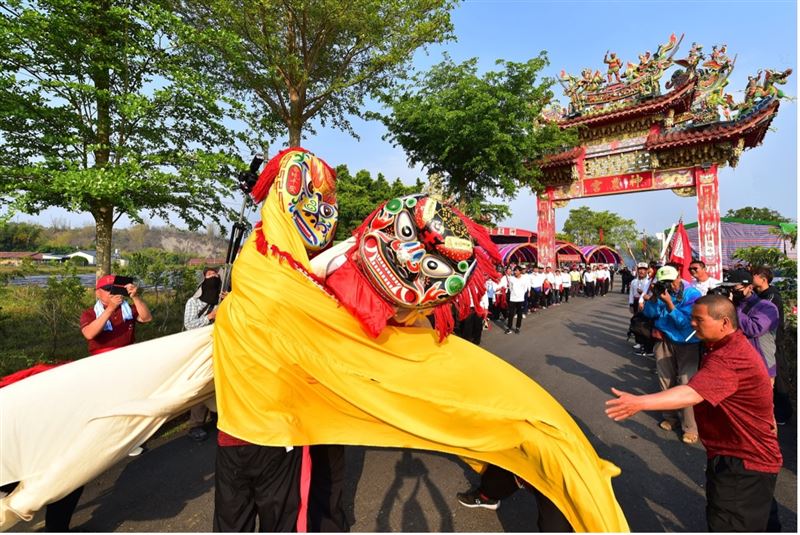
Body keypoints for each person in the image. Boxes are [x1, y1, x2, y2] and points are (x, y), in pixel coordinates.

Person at [606, 295, 782, 532]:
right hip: (749, 455)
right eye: (692, 318)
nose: (692, 323)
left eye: (699, 320)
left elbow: (692, 392)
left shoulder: (730, 357)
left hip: (743, 461)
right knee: (760, 520)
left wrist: (639, 402)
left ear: (725, 323)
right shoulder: (726, 345)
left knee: (731, 523)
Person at [641, 265, 701, 444]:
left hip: (688, 344)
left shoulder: (692, 294)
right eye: (664, 282)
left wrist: (670, 304)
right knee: (665, 380)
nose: (669, 285)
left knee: (686, 384)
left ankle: (690, 427)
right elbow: (649, 314)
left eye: (671, 281)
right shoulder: (662, 292)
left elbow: (685, 324)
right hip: (664, 340)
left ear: (679, 277)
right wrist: (653, 299)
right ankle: (670, 417)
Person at [456, 464, 573, 532]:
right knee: (509, 454)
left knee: (556, 528)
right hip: (525, 449)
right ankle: (488, 495)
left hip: (558, 476)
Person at [183, 267, 224, 442]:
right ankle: (196, 424)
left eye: (215, 275)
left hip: (220, 346)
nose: (213, 278)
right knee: (201, 383)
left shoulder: (223, 298)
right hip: (200, 349)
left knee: (220, 383)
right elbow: (189, 324)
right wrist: (210, 316)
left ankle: (219, 417)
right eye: (209, 275)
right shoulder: (193, 302)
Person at [751, 266, 793, 424]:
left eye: (753, 275)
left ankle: (783, 414)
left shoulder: (771, 296)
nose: (750, 278)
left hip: (773, 343)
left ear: (763, 279)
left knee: (778, 379)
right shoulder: (759, 295)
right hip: (764, 342)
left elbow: (758, 316)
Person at [726, 269, 780, 381]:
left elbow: (754, 329)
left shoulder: (766, 307)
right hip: (735, 365)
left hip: (761, 366)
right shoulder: (729, 306)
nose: (731, 292)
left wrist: (731, 308)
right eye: (727, 288)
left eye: (734, 288)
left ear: (750, 287)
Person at [80, 274, 153, 356]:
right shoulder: (90, 313)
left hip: (128, 353)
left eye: (116, 289)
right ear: (97, 293)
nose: (113, 292)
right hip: (102, 356)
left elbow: (147, 318)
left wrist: (135, 297)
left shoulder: (128, 308)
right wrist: (110, 308)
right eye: (109, 289)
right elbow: (89, 334)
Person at [505, 266, 529, 334]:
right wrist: (514, 294)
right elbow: (510, 288)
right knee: (511, 314)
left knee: (519, 314)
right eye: (514, 270)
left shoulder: (524, 279)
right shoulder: (511, 279)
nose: (515, 272)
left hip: (520, 299)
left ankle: (517, 327)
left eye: (516, 270)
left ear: (520, 271)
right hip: (512, 299)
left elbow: (525, 289)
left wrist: (520, 294)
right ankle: (509, 327)